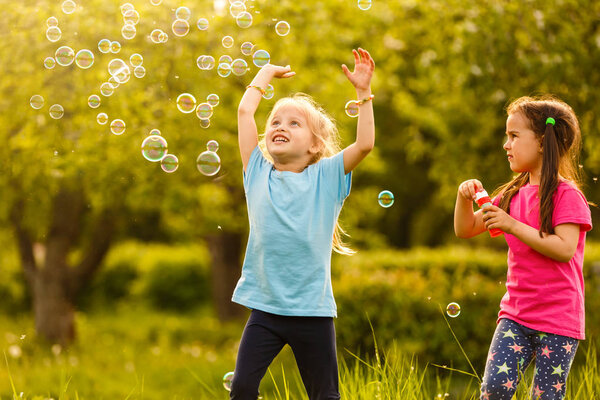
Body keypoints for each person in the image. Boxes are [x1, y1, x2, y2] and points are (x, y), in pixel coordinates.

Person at [230, 48, 375, 400]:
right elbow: (245, 111)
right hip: (265, 309)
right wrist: (264, 74)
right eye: (276, 122)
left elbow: (366, 144)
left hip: (312, 311)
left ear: (315, 145)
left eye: (294, 123)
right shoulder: (257, 173)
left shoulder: (326, 177)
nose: (280, 126)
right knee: (243, 389)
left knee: (324, 396)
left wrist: (363, 94)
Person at [454, 96, 592, 400]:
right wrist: (463, 198)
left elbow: (565, 248)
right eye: (507, 136)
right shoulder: (512, 193)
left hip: (559, 320)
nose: (506, 144)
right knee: (494, 389)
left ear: (543, 142)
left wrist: (512, 225)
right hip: (516, 315)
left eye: (514, 136)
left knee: (546, 396)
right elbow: (465, 229)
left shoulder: (566, 196)